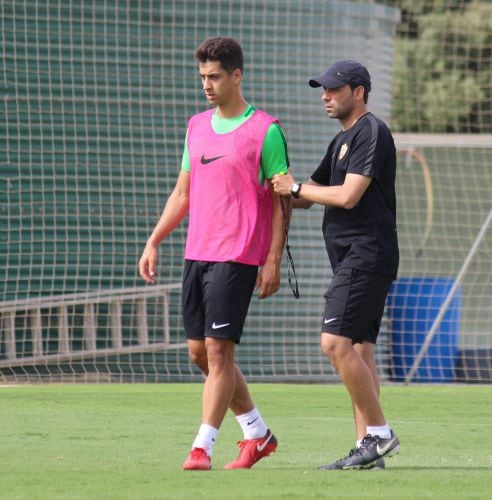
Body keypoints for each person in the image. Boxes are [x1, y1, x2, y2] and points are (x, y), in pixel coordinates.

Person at [138, 37, 289, 470]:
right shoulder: (196, 126)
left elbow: (282, 199)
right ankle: (258, 434)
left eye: (215, 76)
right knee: (199, 354)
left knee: (220, 352)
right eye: (202, 76)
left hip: (237, 255)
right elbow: (183, 192)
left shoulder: (266, 130)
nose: (207, 84)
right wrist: (154, 240)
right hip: (196, 253)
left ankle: (201, 447)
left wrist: (273, 258)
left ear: (236, 76)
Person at [271, 60, 400, 470]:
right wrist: (271, 183)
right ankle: (368, 450)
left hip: (367, 255)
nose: (325, 96)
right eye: (322, 89)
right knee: (359, 351)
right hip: (353, 257)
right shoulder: (341, 139)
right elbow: (308, 195)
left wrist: (293, 187)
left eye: (333, 89)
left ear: (358, 92)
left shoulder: (371, 131)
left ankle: (379, 435)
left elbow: (347, 196)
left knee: (334, 343)